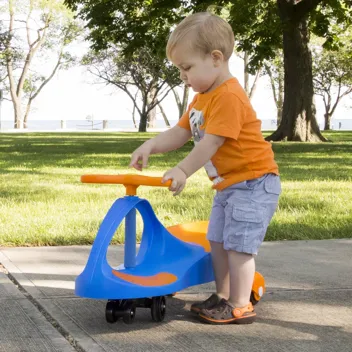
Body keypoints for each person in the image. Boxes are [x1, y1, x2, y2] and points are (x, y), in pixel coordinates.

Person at [129, 12, 281, 325]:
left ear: (215, 58)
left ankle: (240, 304)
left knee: (238, 246)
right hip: (229, 185)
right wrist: (150, 146)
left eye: (187, 67)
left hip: (254, 183)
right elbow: (181, 132)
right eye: (179, 69)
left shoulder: (228, 96)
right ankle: (223, 296)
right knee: (218, 241)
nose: (183, 75)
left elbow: (209, 144)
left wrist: (183, 169)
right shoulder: (201, 98)